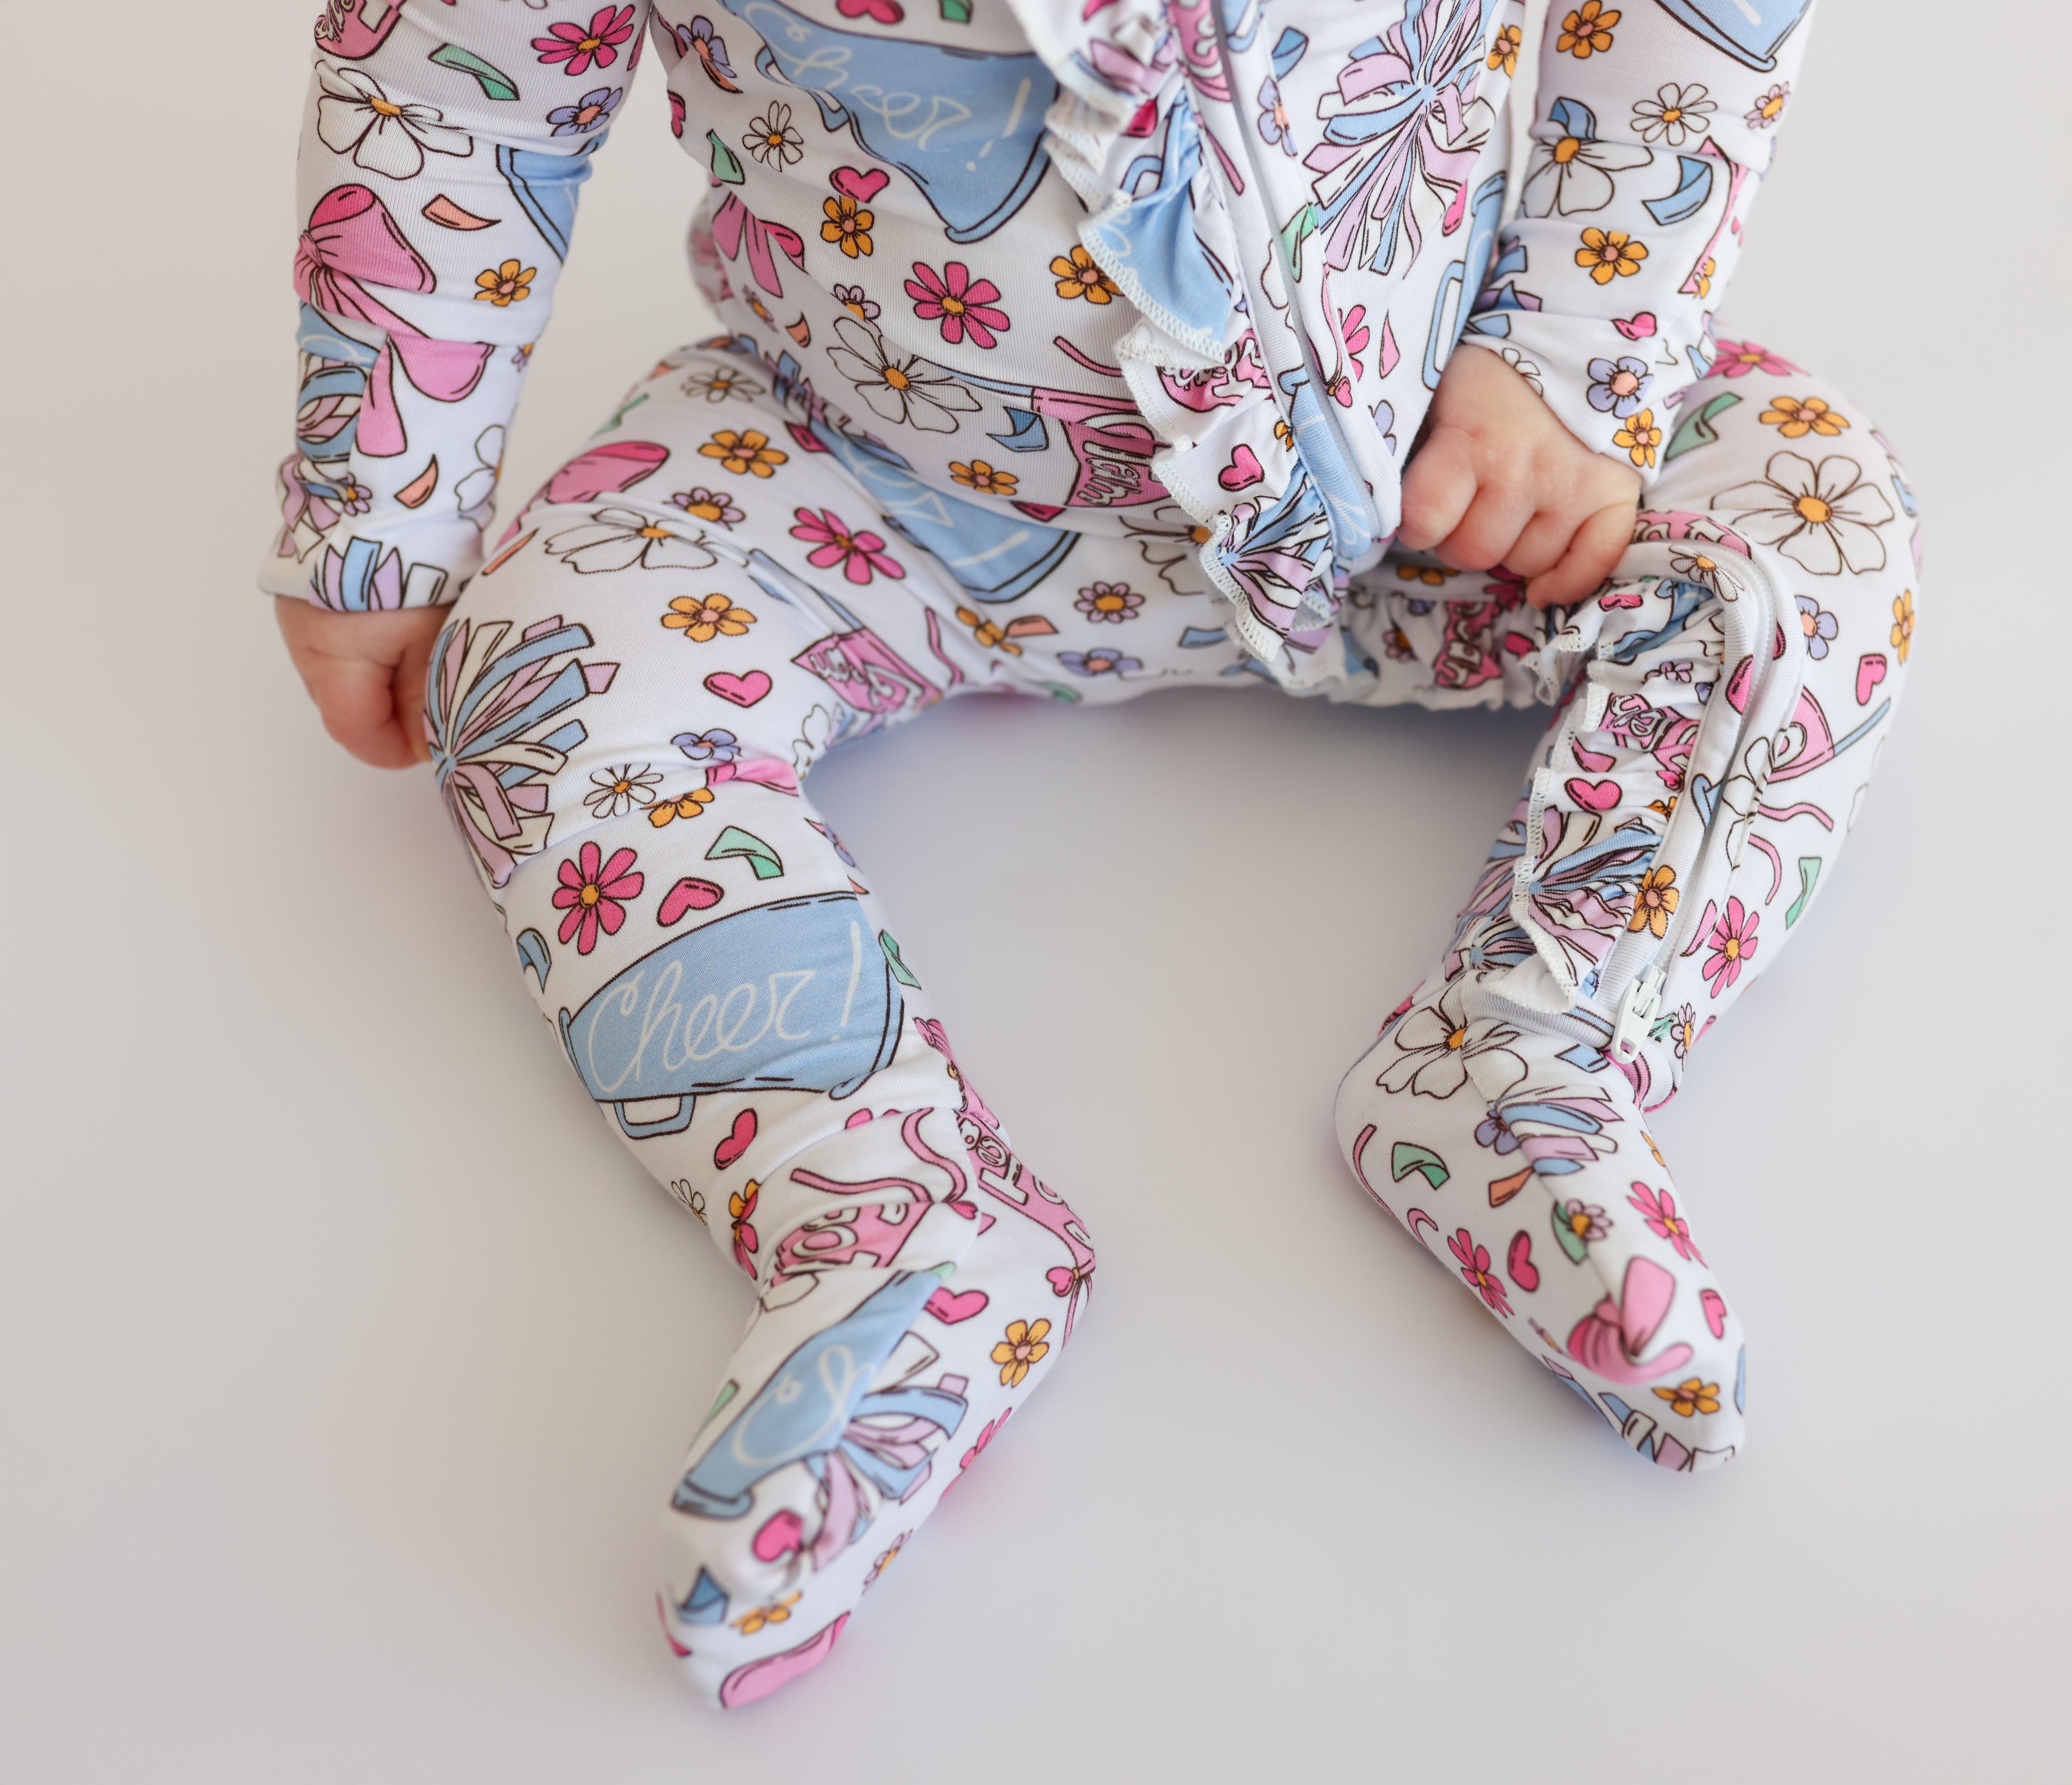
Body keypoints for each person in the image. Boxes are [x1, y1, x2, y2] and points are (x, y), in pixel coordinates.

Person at [267, 0, 1920, 1705]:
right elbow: (454, 90)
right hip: (873, 474)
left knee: (1808, 519)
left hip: (1439, 465)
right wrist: (382, 518)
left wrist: (1569, 362)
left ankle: (1530, 1056)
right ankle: (884, 1219)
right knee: (546, 659)